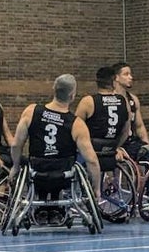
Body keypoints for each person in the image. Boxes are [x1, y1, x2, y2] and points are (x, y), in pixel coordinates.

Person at [12, 74, 102, 205]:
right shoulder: (77, 124)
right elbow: (92, 160)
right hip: (63, 174)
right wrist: (97, 189)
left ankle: (41, 201)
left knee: (32, 168)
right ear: (72, 95)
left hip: (37, 170)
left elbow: (16, 145)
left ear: (54, 88)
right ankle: (56, 203)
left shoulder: (31, 111)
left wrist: (15, 167)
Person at [75, 66, 131, 171]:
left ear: (97, 82)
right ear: (114, 82)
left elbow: (74, 129)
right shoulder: (123, 101)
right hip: (110, 153)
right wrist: (115, 146)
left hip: (90, 153)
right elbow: (126, 132)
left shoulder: (88, 101)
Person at [112, 61, 149, 159]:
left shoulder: (133, 99)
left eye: (130, 74)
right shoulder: (110, 99)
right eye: (126, 74)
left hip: (131, 142)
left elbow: (139, 126)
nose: (131, 77)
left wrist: (147, 145)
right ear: (116, 77)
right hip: (115, 143)